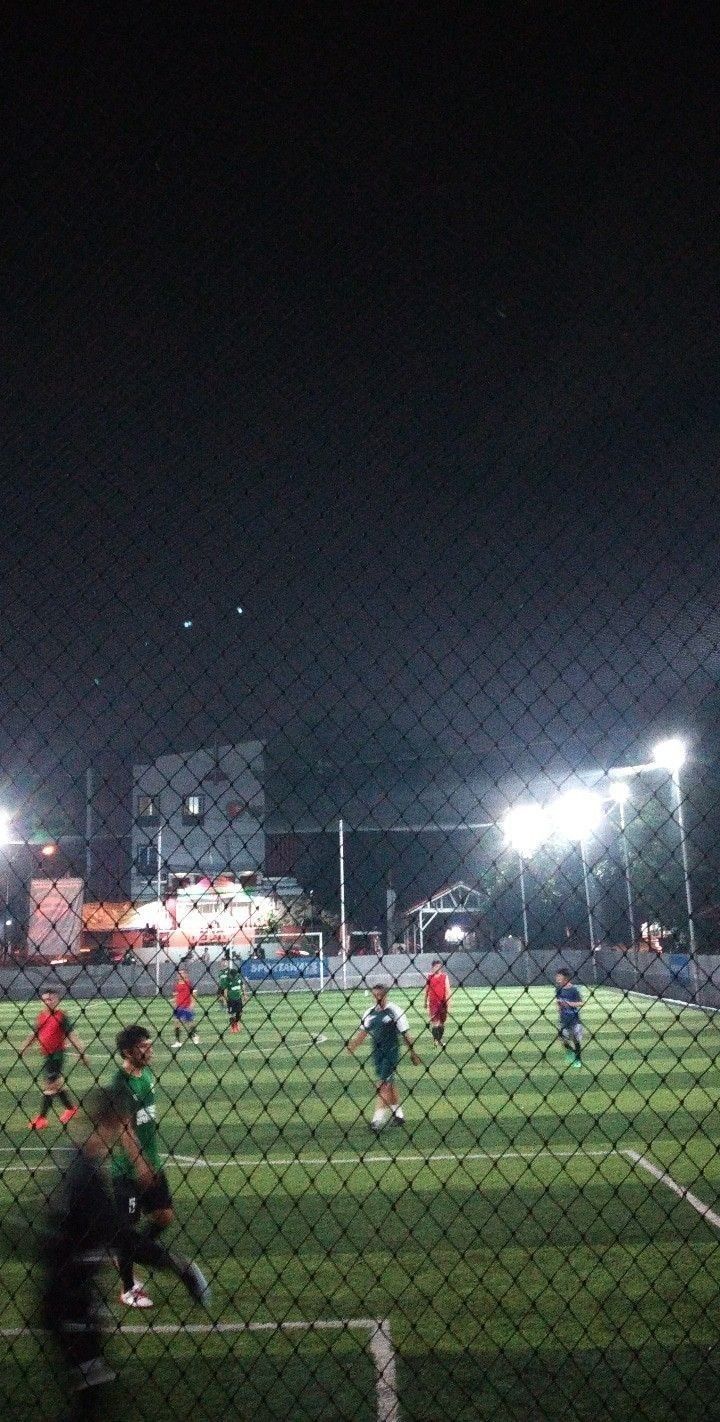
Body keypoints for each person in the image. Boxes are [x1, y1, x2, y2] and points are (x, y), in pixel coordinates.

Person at [39, 1085, 210, 1422]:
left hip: (68, 1296)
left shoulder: (74, 1160)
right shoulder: (86, 1177)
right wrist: (179, 1267)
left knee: (92, 1386)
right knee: (92, 1401)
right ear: (117, 1122)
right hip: (70, 1303)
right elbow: (123, 1238)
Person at [110, 1024, 175, 1308]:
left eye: (150, 1044)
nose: (149, 1049)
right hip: (129, 1170)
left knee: (164, 1216)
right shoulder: (120, 1083)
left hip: (152, 1161)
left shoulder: (146, 1073)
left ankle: (130, 1250)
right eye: (143, 1046)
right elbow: (124, 1130)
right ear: (127, 1052)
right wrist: (140, 1166)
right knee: (127, 1229)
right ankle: (128, 1289)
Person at [347, 980, 421, 1131]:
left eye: (380, 995)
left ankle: (376, 1121)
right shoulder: (369, 1013)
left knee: (383, 1085)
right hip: (377, 1054)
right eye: (375, 996)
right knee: (389, 1084)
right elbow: (362, 1033)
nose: (377, 998)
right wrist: (352, 1047)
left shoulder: (395, 1011)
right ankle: (398, 1115)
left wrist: (413, 1053)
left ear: (386, 995)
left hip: (391, 1052)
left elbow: (406, 1034)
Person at [20, 987, 91, 1130]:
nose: (47, 1002)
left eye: (50, 999)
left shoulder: (61, 1016)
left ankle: (42, 1118)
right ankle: (71, 1109)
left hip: (57, 1056)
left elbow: (72, 1036)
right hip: (47, 1055)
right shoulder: (41, 1016)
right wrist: (24, 1046)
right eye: (45, 999)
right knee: (56, 1085)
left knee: (49, 1086)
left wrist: (82, 1053)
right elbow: (35, 1033)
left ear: (57, 1000)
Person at [555, 968, 584, 1069]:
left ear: (565, 978)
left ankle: (578, 1060)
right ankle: (571, 1051)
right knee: (563, 1040)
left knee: (576, 1040)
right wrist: (559, 1007)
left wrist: (569, 1004)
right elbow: (558, 1001)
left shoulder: (574, 989)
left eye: (559, 976)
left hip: (574, 1020)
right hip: (563, 1019)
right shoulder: (558, 989)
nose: (557, 978)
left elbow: (581, 1003)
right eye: (557, 976)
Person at [217, 954, 248, 1033]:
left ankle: (236, 1023)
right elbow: (225, 989)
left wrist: (244, 995)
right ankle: (233, 1027)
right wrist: (225, 999)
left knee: (239, 1013)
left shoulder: (238, 978)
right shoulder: (227, 979)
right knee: (232, 1014)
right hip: (231, 998)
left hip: (238, 998)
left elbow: (242, 985)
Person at [424, 959, 451, 1048]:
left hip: (443, 1003)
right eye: (436, 966)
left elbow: (447, 990)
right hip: (433, 1003)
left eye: (439, 966)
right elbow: (427, 990)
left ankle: (438, 1039)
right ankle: (437, 1040)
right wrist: (425, 1001)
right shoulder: (430, 977)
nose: (438, 968)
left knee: (441, 1023)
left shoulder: (444, 976)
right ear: (433, 967)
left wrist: (448, 1003)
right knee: (435, 1023)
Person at [171, 967, 199, 1048]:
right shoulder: (176, 984)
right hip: (179, 1007)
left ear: (186, 974)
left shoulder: (189, 983)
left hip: (187, 1006)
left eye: (181, 973)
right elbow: (176, 995)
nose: (179, 975)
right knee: (176, 1023)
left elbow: (194, 994)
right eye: (179, 973)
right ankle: (178, 1041)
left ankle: (195, 1036)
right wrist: (174, 1003)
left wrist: (192, 1004)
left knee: (190, 1023)